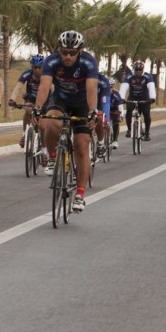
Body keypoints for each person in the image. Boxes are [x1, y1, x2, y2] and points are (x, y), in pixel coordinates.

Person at [35, 30, 98, 212]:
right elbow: (44, 86)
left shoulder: (88, 62)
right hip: (60, 99)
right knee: (51, 123)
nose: (68, 56)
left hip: (82, 103)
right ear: (59, 50)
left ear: (80, 51)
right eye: (64, 52)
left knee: (81, 145)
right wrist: (38, 108)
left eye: (72, 53)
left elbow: (91, 89)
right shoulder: (52, 61)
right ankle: (53, 157)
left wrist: (93, 112)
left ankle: (80, 194)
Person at [9, 54, 45, 148]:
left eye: (39, 67)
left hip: (45, 99)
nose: (37, 70)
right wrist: (12, 99)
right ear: (32, 67)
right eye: (35, 67)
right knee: (28, 110)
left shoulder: (47, 75)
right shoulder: (27, 74)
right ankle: (25, 135)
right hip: (31, 98)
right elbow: (18, 87)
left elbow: (53, 88)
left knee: (43, 120)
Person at [119, 60, 156, 141]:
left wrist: (152, 98)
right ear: (134, 69)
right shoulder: (129, 76)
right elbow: (124, 87)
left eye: (140, 70)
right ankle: (129, 130)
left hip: (144, 98)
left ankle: (147, 133)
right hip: (132, 97)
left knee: (146, 114)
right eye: (136, 70)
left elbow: (151, 87)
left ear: (143, 70)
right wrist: (121, 98)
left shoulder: (148, 76)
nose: (138, 71)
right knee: (129, 110)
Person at [95, 73, 111, 156]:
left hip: (99, 102)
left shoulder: (103, 81)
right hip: (83, 102)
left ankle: (100, 143)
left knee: (100, 118)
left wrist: (106, 118)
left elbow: (105, 102)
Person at [109, 77, 123, 149]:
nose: (109, 89)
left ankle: (115, 140)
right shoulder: (100, 93)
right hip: (105, 110)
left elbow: (120, 105)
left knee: (116, 121)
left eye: (110, 87)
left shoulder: (116, 94)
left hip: (114, 110)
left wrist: (121, 115)